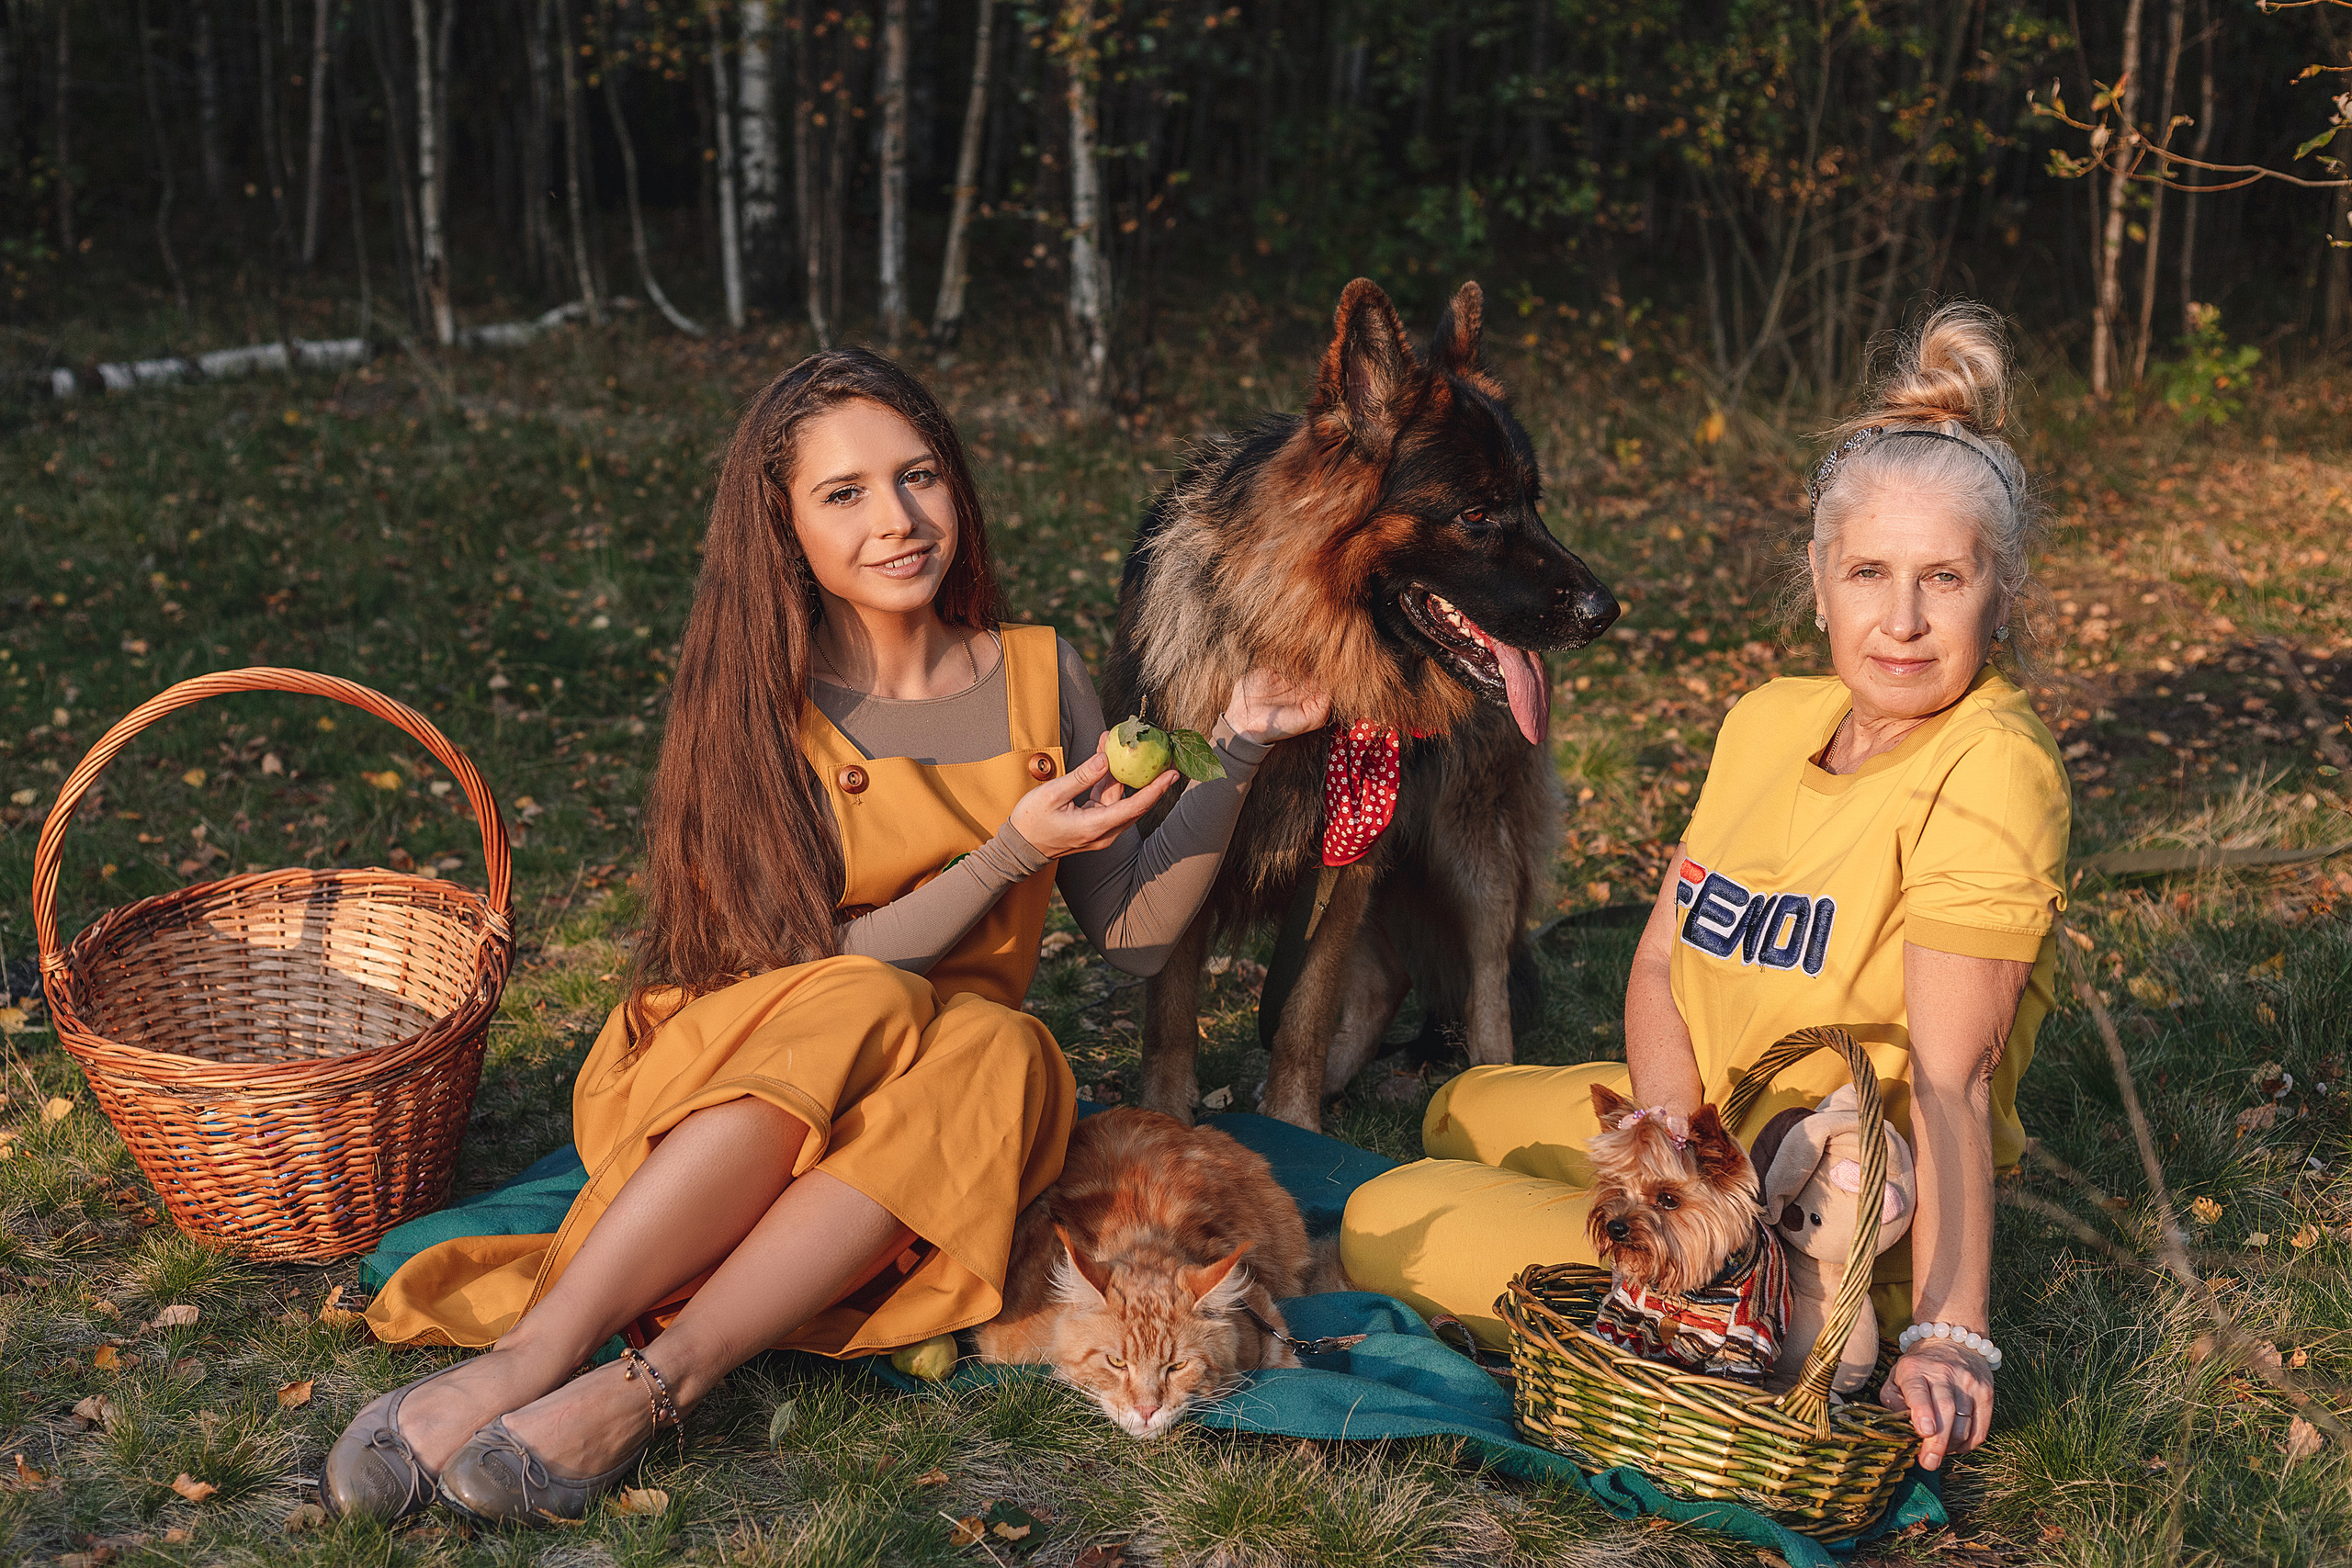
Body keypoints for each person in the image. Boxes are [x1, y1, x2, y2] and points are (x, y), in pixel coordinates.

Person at [325, 349, 1329, 1523]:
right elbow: (817, 973)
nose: (897, 519)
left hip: (931, 1128)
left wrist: (1243, 746)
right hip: (738, 1083)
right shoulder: (761, 694)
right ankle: (529, 1357)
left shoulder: (1039, 672)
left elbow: (1136, 941)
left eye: (918, 476)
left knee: (1008, 1045)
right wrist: (1006, 854)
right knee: (879, 997)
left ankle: (654, 1386)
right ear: (783, 527)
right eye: (844, 493)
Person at [1340, 302, 2068, 1472]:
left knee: (1381, 1217)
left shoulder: (1991, 768)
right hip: (1712, 1134)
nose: (1901, 620)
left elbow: (1954, 1080)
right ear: (1818, 584)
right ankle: (1577, 1162)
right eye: (1868, 573)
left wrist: (1949, 1332)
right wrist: (1669, 1171)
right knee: (1457, 1111)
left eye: (1944, 577)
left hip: (1825, 1216)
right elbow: (1658, 961)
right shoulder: (1768, 720)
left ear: (2001, 593)